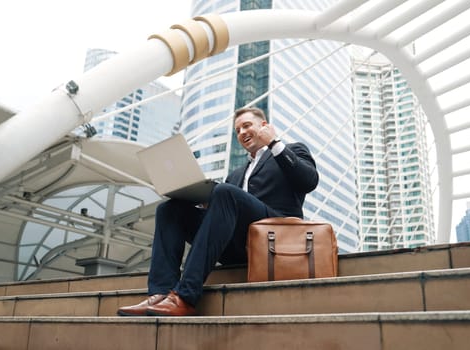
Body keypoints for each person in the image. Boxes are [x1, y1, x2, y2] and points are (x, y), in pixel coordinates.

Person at [117, 106, 319, 316]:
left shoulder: (292, 150)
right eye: (238, 130)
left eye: (247, 125)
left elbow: (309, 181)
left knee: (224, 192)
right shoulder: (236, 175)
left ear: (264, 126)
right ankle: (159, 293)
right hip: (237, 246)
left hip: (275, 239)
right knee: (170, 209)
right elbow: (227, 207)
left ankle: (184, 296)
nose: (242, 132)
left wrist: (274, 144)